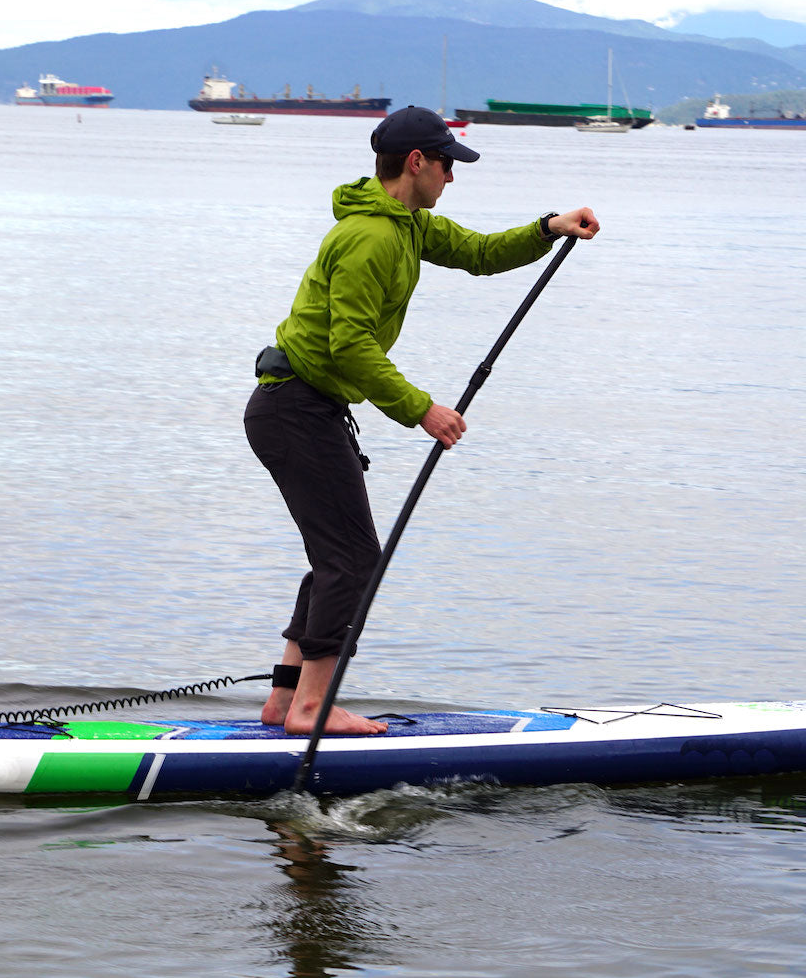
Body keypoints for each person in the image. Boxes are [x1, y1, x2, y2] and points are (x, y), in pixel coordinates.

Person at [244, 105, 600, 735]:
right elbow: (349, 346)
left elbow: (479, 253)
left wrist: (550, 227)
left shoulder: (406, 225)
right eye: (446, 165)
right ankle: (309, 710)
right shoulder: (370, 238)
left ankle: (284, 701)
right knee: (352, 560)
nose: (451, 179)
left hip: (306, 407)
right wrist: (423, 410)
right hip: (293, 407)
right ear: (416, 163)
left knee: (336, 557)